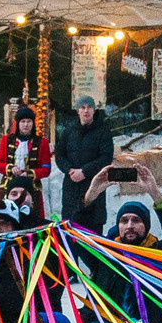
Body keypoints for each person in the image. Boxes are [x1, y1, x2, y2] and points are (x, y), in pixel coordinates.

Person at [54, 95, 114, 227]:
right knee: (70, 226)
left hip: (94, 184)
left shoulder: (103, 131)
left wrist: (85, 171)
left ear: (94, 110)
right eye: (82, 107)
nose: (86, 111)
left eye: (89, 107)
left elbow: (106, 158)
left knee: (93, 229)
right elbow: (59, 154)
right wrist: (69, 169)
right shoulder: (69, 132)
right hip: (71, 186)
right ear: (78, 111)